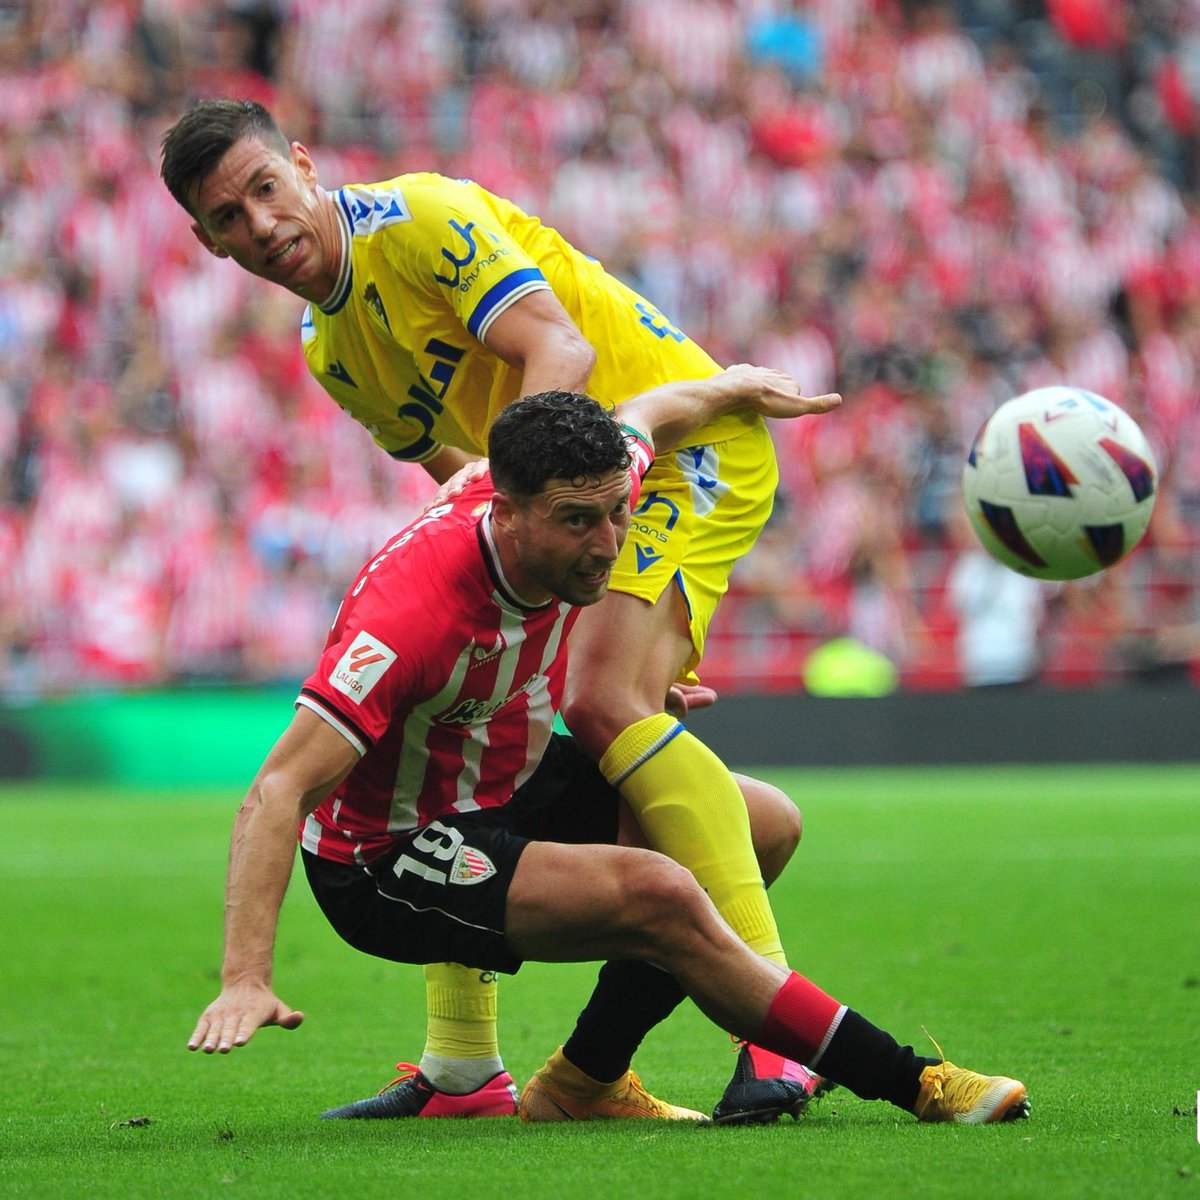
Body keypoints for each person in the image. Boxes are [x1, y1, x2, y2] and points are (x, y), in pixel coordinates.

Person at [162, 97, 821, 1121]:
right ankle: (463, 1069)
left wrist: (594, 628)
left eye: (264, 189)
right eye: (229, 219)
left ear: (302, 163)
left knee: (603, 702)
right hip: (569, 504)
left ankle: (774, 1038)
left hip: (676, 445)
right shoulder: (330, 350)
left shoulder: (418, 218)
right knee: (463, 712)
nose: (261, 226)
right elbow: (466, 482)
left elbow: (562, 358)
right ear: (208, 244)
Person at [187, 378, 1030, 1131]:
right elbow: (278, 791)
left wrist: (737, 386)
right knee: (663, 893)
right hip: (388, 854)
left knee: (760, 824)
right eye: (578, 522)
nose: (608, 542)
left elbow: (654, 413)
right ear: (506, 512)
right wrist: (244, 977)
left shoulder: (590, 475)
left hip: (503, 778)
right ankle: (914, 1082)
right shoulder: (407, 614)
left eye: (617, 512)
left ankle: (582, 1080)